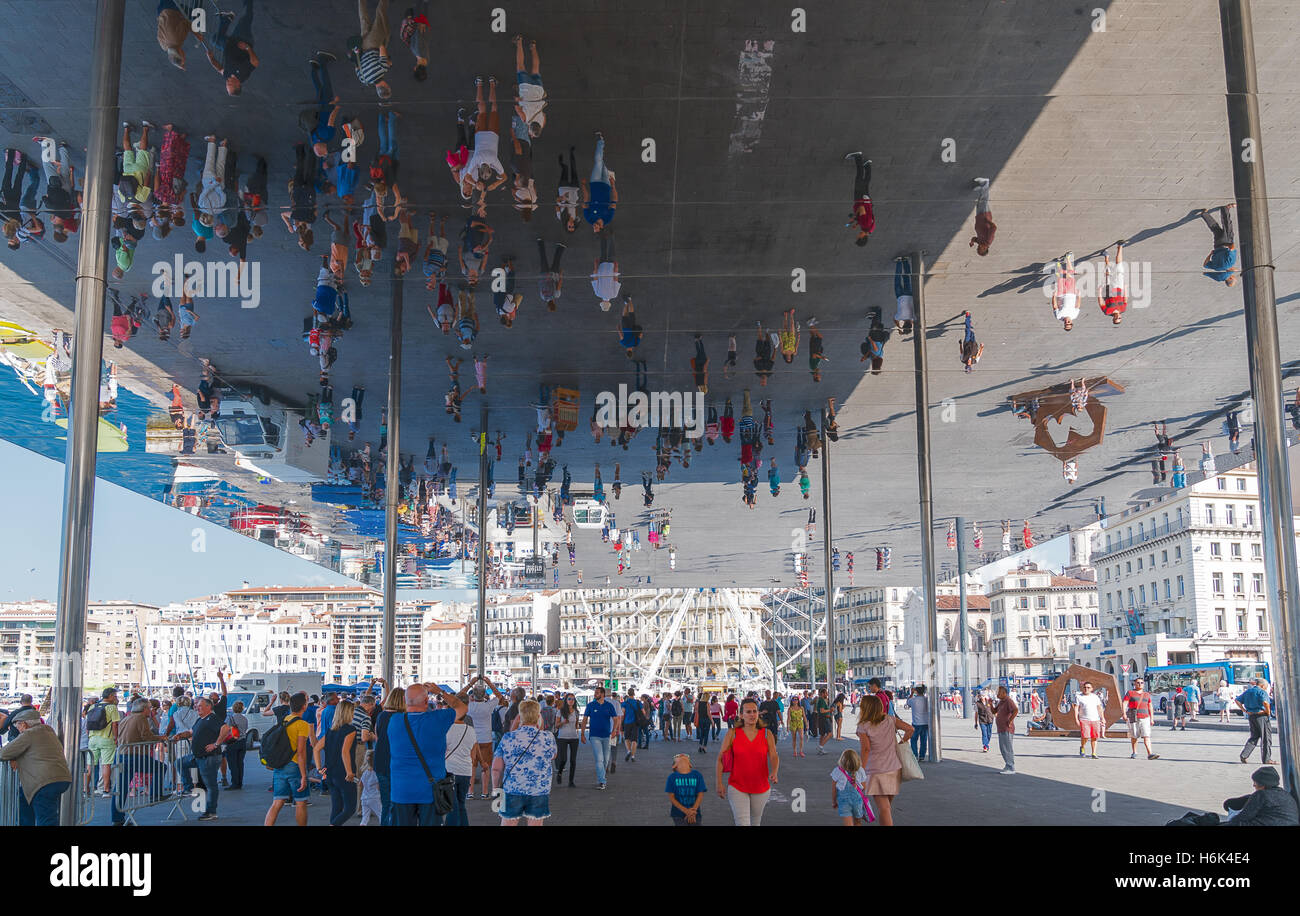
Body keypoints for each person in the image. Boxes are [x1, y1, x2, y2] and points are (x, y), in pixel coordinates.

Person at [387, 683, 466, 826]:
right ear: (426, 701)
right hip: (430, 791)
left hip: (401, 790)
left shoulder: (394, 721)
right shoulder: (438, 719)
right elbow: (462, 707)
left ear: (405, 701)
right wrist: (440, 692)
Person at [172, 670, 229, 820]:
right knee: (179, 762)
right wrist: (180, 735)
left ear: (209, 706)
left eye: (200, 706)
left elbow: (226, 728)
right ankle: (189, 787)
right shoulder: (200, 719)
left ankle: (211, 811)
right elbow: (191, 732)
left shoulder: (212, 718)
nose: (197, 707)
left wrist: (216, 744)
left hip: (209, 756)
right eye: (196, 705)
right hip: (198, 756)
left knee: (210, 785)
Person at [0, 708, 72, 826]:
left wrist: (15, 756)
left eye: (17, 725)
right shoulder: (48, 730)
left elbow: (4, 753)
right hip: (61, 778)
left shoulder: (29, 734)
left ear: (24, 724)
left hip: (43, 781)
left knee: (46, 819)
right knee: (25, 800)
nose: (17, 729)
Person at [715, 697, 778, 826]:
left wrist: (775, 771)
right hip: (737, 786)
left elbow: (773, 756)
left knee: (755, 823)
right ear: (741, 715)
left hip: (761, 787)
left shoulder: (767, 734)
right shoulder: (732, 734)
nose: (752, 715)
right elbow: (720, 759)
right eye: (748, 712)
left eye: (754, 711)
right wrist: (719, 782)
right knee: (742, 823)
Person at [492, 699, 557, 826]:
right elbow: (553, 756)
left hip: (512, 789)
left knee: (508, 823)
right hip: (538, 790)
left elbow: (496, 768)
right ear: (539, 716)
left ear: (520, 716)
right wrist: (540, 722)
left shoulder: (508, 738)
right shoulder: (548, 737)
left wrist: (496, 789)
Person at [856, 694, 913, 825]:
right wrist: (902, 742)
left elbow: (866, 749)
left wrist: (861, 771)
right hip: (894, 769)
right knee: (886, 808)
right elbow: (910, 729)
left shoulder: (863, 726)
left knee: (884, 809)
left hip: (876, 770)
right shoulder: (890, 720)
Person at [198, 0, 258, 96]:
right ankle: (248, 3)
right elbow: (255, 62)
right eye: (230, 84)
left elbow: (220, 69)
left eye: (227, 84)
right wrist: (247, 48)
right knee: (246, 17)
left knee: (214, 40)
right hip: (242, 40)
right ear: (238, 84)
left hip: (228, 45)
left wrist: (211, 59)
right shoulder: (243, 74)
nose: (227, 82)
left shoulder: (227, 76)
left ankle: (227, 19)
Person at [313, 698, 357, 826]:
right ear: (349, 712)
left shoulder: (330, 731)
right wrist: (349, 771)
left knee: (336, 807)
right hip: (343, 773)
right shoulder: (350, 729)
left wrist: (319, 768)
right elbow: (345, 752)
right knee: (350, 808)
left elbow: (316, 749)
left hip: (330, 773)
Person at [1221, 766, 1299, 826]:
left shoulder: (1261, 795)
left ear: (1263, 784)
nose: (1253, 785)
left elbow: (1241, 818)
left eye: (1255, 782)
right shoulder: (1285, 794)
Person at [372, 685, 405, 824]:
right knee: (397, 802)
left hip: (380, 762)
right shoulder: (402, 718)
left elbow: (377, 736)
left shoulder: (381, 715)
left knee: (386, 803)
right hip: (396, 763)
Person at [464, 679, 499, 799]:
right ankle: (484, 792)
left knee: (472, 766)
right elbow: (500, 696)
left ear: (472, 695)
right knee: (485, 766)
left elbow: (459, 696)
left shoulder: (469, 706)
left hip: (472, 738)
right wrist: (489, 682)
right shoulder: (488, 705)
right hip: (486, 739)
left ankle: (470, 792)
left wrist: (470, 683)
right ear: (484, 695)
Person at [351, 0, 393, 99]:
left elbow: (381, 47)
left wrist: (386, 60)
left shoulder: (383, 68)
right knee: (364, 20)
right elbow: (356, 66)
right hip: (362, 46)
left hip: (373, 43)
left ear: (386, 86)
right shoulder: (364, 80)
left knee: (381, 16)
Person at [443, 702, 475, 826]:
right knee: (461, 804)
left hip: (450, 770)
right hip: (466, 771)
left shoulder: (447, 729)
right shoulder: (471, 730)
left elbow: (442, 750)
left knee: (452, 805)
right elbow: (473, 752)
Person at [580, 686, 617, 789]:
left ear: (603, 694)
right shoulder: (590, 705)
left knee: (606, 759)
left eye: (597, 693)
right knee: (599, 759)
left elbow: (616, 719)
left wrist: (614, 730)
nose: (595, 694)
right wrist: (582, 734)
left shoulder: (609, 706)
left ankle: (602, 776)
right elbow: (584, 720)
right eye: (595, 692)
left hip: (606, 735)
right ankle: (602, 781)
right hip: (594, 736)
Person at [86, 687, 120, 797]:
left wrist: (89, 736)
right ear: (110, 696)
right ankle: (105, 790)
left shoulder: (92, 706)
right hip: (106, 738)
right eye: (115, 695)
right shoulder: (112, 708)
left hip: (92, 738)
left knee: (90, 765)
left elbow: (88, 723)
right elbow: (115, 725)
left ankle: (85, 789)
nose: (116, 697)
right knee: (106, 764)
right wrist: (116, 738)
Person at [582, 131, 617, 232]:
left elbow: (585, 201)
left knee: (598, 162)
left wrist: (583, 186)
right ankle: (601, 148)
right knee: (601, 162)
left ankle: (600, 140)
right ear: (601, 227)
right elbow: (614, 201)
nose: (594, 226)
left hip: (595, 182)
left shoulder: (589, 218)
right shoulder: (608, 218)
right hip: (607, 184)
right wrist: (613, 185)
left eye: (593, 228)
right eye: (596, 228)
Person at [1235, 677, 1275, 765]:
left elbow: (1237, 700)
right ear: (1262, 685)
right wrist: (1267, 712)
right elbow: (1265, 703)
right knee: (1266, 738)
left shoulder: (1248, 691)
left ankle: (1244, 755)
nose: (1266, 688)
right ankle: (1267, 759)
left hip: (1251, 716)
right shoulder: (1262, 692)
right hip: (1261, 716)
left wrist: (1244, 710)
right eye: (1266, 686)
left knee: (1254, 737)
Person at [830, 748, 874, 826]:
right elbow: (863, 787)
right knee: (857, 822)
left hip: (843, 801)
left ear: (842, 760)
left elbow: (834, 790)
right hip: (857, 800)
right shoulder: (860, 770)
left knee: (848, 823)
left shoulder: (837, 771)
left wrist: (834, 801)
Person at [1122, 676, 1160, 760]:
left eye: (1142, 683)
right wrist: (1124, 713)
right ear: (1134, 684)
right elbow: (1124, 703)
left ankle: (1150, 753)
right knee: (1134, 735)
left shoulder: (1146, 694)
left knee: (1146, 735)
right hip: (1133, 717)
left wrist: (1152, 718)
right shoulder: (1130, 693)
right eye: (1138, 682)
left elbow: (1150, 706)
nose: (1140, 684)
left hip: (1145, 717)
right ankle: (1134, 752)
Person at [1200, 204, 1239, 285]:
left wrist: (1231, 268)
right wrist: (1210, 254)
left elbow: (1232, 248)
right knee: (1215, 229)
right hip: (1217, 246)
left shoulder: (1230, 263)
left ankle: (1225, 208)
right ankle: (1204, 214)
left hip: (1226, 242)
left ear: (1231, 278)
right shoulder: (1217, 271)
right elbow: (1205, 265)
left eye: (1234, 277)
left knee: (1227, 226)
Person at [665, 752, 707, 825]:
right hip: (678, 814)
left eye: (686, 756)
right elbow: (672, 798)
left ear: (690, 765)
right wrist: (686, 811)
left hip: (695, 813)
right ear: (674, 766)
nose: (682, 755)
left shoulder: (697, 774)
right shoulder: (672, 777)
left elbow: (700, 794)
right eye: (677, 756)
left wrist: (693, 811)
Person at [843, 151, 873, 245]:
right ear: (862, 237)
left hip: (867, 200)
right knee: (859, 178)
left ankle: (867, 165)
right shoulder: (865, 225)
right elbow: (861, 209)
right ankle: (858, 157)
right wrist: (855, 217)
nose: (857, 236)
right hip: (861, 200)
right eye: (858, 238)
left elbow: (867, 217)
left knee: (866, 182)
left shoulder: (869, 229)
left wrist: (856, 223)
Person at [554, 693, 581, 788]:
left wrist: (578, 733)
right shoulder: (560, 711)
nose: (571, 701)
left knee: (573, 760)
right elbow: (556, 725)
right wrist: (562, 722)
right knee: (563, 759)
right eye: (569, 699)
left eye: (573, 699)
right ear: (566, 700)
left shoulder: (576, 712)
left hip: (574, 737)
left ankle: (571, 781)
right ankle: (560, 773)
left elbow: (577, 725)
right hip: (562, 737)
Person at [1098, 241, 1128, 324]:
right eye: (1119, 318)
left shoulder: (1107, 312)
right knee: (1119, 267)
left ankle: (1106, 256)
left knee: (1108, 271)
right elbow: (1125, 299)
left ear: (1113, 319)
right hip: (1119, 287)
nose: (1118, 317)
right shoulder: (1123, 309)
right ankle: (1120, 246)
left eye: (1116, 318)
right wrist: (1125, 288)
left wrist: (1099, 292)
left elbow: (1101, 302)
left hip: (1109, 289)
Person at [1074, 681, 1106, 758]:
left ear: (1092, 689)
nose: (1086, 689)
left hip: (1095, 719)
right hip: (1084, 719)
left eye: (1088, 687)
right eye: (1085, 687)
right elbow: (1076, 708)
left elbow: (1099, 708)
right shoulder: (1079, 697)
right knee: (1085, 736)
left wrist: (1102, 718)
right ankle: (1082, 747)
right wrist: (1076, 719)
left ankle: (1094, 753)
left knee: (1094, 736)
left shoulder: (1095, 697)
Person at [1049, 252, 1079, 331]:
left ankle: (1058, 264)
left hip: (1061, 294)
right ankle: (1067, 258)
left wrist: (1054, 296)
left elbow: (1054, 306)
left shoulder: (1059, 316)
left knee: (1061, 276)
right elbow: (1077, 305)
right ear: (1071, 322)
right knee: (1070, 275)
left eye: (1066, 324)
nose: (1067, 322)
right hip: (1071, 293)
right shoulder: (1074, 315)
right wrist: (1078, 295)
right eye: (1069, 323)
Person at [591, 232, 620, 311]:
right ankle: (602, 234)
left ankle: (611, 234)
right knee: (603, 251)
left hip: (611, 268)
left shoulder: (614, 295)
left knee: (612, 251)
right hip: (602, 268)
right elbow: (595, 278)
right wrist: (596, 265)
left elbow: (615, 280)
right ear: (601, 302)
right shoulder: (598, 294)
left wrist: (616, 267)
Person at [223, 700, 249, 789]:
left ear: (233, 708)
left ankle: (234, 783)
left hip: (233, 742)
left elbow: (226, 730)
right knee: (240, 763)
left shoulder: (230, 718)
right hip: (242, 741)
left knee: (233, 764)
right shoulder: (245, 718)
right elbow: (245, 729)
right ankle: (240, 782)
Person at [994, 685, 1018, 774]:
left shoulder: (1008, 701)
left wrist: (1010, 720)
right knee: (1003, 748)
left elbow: (1015, 710)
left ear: (1004, 693)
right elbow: (994, 711)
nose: (997, 694)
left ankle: (1011, 767)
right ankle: (1007, 765)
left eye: (999, 692)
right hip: (1001, 728)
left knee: (1007, 748)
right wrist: (990, 704)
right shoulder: (1001, 702)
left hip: (1007, 728)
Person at [537, 236, 565, 311]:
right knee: (543, 258)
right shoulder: (542, 297)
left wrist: (561, 274)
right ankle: (540, 242)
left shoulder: (556, 295)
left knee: (556, 260)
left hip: (553, 275)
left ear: (554, 304)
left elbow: (559, 284)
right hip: (543, 275)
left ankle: (560, 247)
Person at [969, 177, 995, 255]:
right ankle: (985, 183)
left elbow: (974, 238)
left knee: (980, 202)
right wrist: (987, 220)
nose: (978, 247)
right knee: (983, 201)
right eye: (979, 248)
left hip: (979, 218)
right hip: (984, 216)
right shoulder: (988, 240)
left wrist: (972, 242)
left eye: (977, 248)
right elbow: (994, 228)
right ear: (985, 248)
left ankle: (982, 189)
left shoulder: (981, 242)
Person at [905, 684, 930, 761]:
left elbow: (907, 703)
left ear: (916, 691)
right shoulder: (927, 700)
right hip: (925, 723)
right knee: (923, 740)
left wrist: (912, 693)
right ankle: (922, 756)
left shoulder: (913, 700)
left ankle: (915, 755)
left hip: (916, 723)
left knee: (913, 739)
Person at [358, 751, 381, 825]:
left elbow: (360, 784)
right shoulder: (376, 773)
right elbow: (378, 787)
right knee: (381, 815)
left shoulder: (365, 772)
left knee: (365, 818)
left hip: (364, 798)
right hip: (374, 798)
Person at [621, 687, 641, 762]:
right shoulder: (638, 702)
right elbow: (643, 712)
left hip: (627, 722)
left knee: (627, 738)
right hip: (635, 723)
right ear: (634, 693)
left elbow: (622, 713)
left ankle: (629, 751)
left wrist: (621, 722)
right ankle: (633, 756)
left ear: (628, 694)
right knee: (634, 740)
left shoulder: (625, 703)